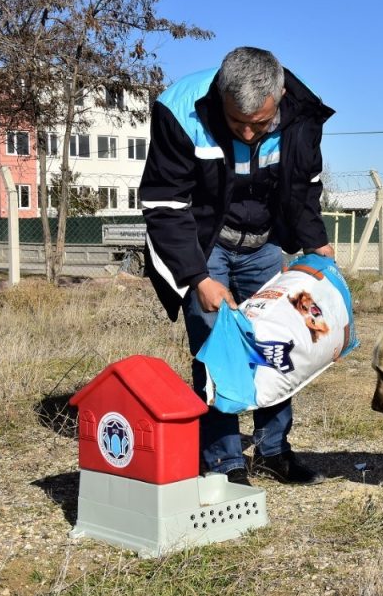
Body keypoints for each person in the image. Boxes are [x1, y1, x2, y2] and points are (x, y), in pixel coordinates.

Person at [139, 47, 335, 487]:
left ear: (280, 98)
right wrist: (197, 278)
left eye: (260, 123)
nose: (248, 132)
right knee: (219, 351)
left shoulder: (301, 115)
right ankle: (225, 462)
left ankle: (273, 450)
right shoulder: (180, 109)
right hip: (205, 247)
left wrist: (315, 241)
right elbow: (164, 204)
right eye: (236, 122)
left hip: (265, 245)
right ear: (220, 97)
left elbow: (304, 187)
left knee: (277, 346)